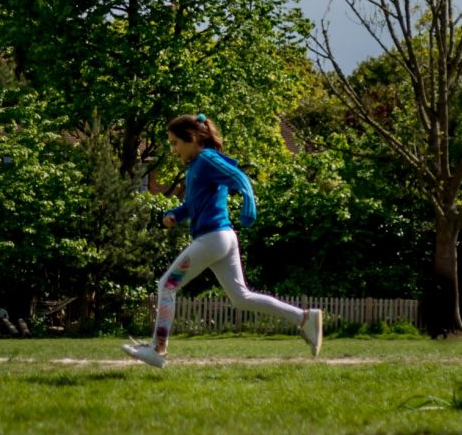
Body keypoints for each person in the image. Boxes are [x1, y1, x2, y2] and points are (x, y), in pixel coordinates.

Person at [122, 114, 322, 369]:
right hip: (223, 238)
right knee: (241, 297)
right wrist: (176, 214)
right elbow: (193, 204)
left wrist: (248, 198)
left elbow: (238, 177)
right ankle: (304, 318)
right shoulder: (196, 166)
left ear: (192, 139)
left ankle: (158, 349)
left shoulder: (206, 158)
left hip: (213, 238)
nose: (173, 150)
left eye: (175, 143)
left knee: (167, 285)